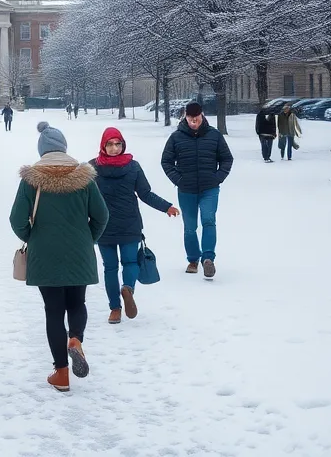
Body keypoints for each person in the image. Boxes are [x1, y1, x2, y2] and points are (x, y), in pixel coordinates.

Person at [9, 122, 108, 393]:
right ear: (64, 147)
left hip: (45, 255)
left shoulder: (31, 179)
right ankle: (75, 339)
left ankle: (61, 373)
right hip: (80, 252)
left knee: (53, 311)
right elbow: (102, 216)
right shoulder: (84, 178)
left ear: (41, 150)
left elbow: (16, 219)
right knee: (77, 302)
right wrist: (89, 239)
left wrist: (33, 237)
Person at [91, 127, 179, 324]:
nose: (114, 148)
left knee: (110, 268)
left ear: (123, 144)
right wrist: (166, 207)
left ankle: (115, 309)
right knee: (128, 264)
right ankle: (128, 288)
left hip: (110, 225)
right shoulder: (127, 166)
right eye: (110, 144)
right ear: (103, 146)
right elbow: (145, 194)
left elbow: (145, 193)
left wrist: (166, 207)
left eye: (117, 144)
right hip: (118, 225)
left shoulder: (95, 167)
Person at [161, 101, 233, 279]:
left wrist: (218, 178)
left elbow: (226, 159)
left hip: (209, 188)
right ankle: (193, 259)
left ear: (202, 116)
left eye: (197, 118)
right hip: (187, 189)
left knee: (209, 220)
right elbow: (166, 162)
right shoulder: (176, 137)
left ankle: (208, 259)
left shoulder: (214, 135)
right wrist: (178, 179)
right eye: (191, 118)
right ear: (185, 117)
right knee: (190, 227)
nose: (194, 121)